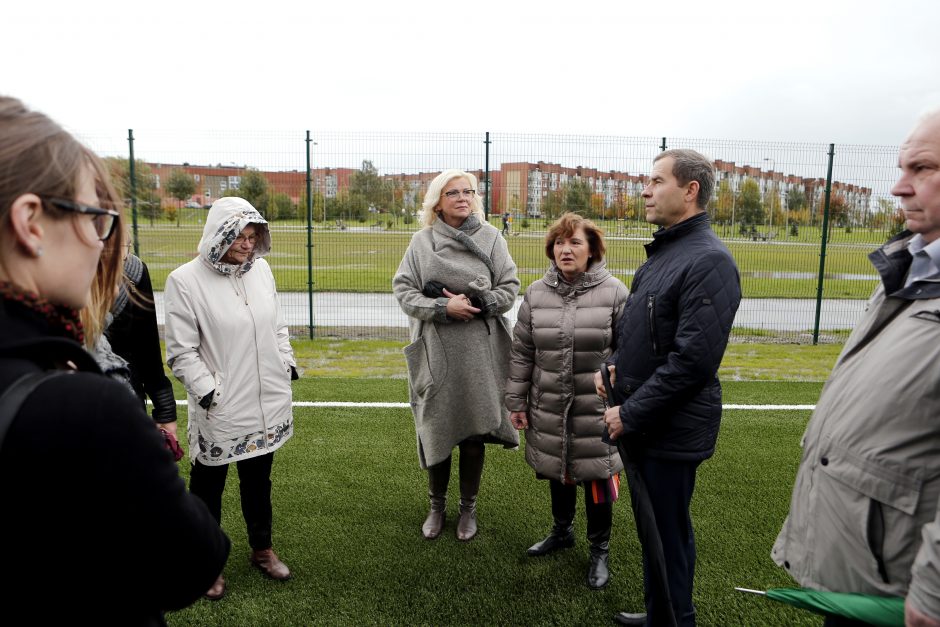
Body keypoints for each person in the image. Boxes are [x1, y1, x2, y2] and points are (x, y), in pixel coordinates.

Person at [0, 95, 229, 625]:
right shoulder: (80, 401)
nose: (104, 247)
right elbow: (192, 562)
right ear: (31, 222)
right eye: (96, 219)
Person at [772, 111, 940, 627]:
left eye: (921, 168)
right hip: (866, 571)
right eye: (900, 167)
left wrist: (934, 592)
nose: (898, 187)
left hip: (907, 590)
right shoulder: (909, 267)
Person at [598, 149, 741, 626]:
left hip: (668, 428)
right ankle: (661, 612)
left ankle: (675, 618)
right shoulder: (665, 253)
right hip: (645, 422)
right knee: (652, 532)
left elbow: (693, 363)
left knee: (668, 536)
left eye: (657, 180)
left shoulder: (709, 261)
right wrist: (616, 366)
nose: (645, 189)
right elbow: (639, 329)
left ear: (690, 190)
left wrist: (630, 413)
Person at [165, 196, 298, 600]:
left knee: (259, 482)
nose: (246, 243)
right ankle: (206, 565)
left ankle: (262, 549)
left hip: (267, 401)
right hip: (220, 408)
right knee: (208, 490)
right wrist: (210, 394)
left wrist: (286, 362)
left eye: (252, 234)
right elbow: (181, 352)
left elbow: (277, 325)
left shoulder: (262, 272)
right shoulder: (184, 281)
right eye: (238, 234)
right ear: (217, 233)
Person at [393, 169, 520, 542]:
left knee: (474, 431)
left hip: (481, 352)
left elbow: (510, 287)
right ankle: (436, 506)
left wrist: (480, 301)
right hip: (437, 351)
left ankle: (468, 509)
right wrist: (442, 308)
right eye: (453, 193)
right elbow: (404, 291)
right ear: (438, 201)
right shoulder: (422, 242)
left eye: (468, 192)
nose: (463, 198)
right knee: (438, 426)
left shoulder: (491, 238)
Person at [505, 212, 627, 589]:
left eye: (575, 242)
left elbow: (628, 351)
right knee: (558, 470)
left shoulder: (616, 292)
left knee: (596, 478)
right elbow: (523, 351)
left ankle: (599, 549)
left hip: (597, 409)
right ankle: (562, 531)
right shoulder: (536, 293)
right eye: (559, 242)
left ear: (592, 250)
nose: (566, 249)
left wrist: (616, 390)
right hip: (549, 404)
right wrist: (516, 401)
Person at [106, 246, 179, 430]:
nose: (124, 255)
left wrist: (165, 410)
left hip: (129, 396)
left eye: (126, 246)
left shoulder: (134, 270)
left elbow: (147, 346)